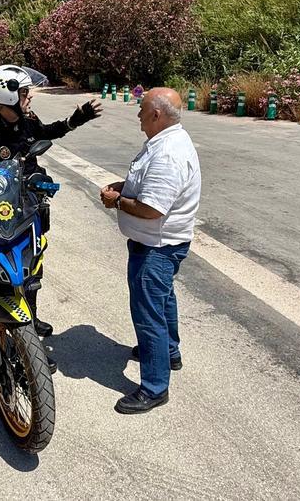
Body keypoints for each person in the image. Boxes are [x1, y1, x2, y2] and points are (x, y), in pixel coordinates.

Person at [0, 64, 103, 369]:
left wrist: (75, 119)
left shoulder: (27, 119)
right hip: (4, 205)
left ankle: (30, 318)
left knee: (34, 261)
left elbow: (46, 133)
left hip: (32, 200)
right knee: (4, 264)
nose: (30, 98)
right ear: (8, 96)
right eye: (25, 92)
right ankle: (10, 327)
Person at [100, 87, 201, 414]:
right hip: (162, 244)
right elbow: (150, 188)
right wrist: (125, 187)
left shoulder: (168, 153)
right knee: (162, 299)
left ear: (157, 115)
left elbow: (152, 209)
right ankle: (168, 352)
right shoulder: (167, 142)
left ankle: (155, 387)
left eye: (142, 110)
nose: (138, 115)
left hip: (157, 247)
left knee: (148, 314)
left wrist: (117, 200)